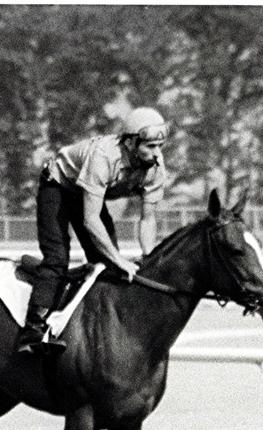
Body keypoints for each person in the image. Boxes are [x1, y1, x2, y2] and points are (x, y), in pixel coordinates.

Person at [16, 106, 168, 355]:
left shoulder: (156, 168)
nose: (157, 154)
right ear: (130, 143)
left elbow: (148, 219)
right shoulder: (104, 155)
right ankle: (32, 328)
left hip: (85, 195)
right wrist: (118, 259)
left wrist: (148, 256)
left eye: (160, 146)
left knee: (108, 266)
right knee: (57, 259)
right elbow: (91, 220)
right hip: (58, 186)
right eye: (150, 147)